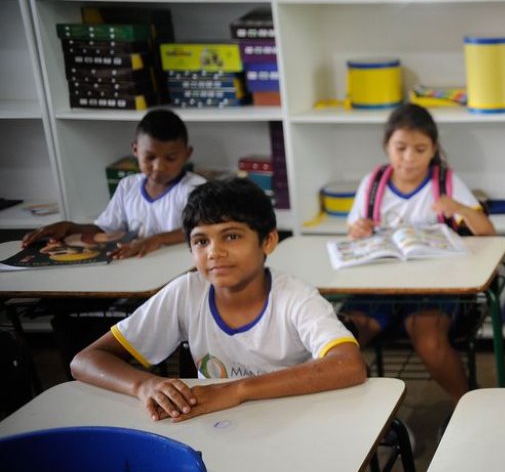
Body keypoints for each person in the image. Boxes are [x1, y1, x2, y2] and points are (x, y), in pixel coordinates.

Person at [70, 178, 367, 422]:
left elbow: (348, 364)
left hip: (298, 420)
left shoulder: (295, 297)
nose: (214, 252)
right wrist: (143, 384)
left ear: (268, 241)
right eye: (201, 241)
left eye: (232, 236)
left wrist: (235, 390)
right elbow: (85, 361)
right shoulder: (186, 292)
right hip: (220, 424)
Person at [341, 103, 494, 402]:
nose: (409, 158)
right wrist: (357, 230)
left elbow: (486, 231)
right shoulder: (373, 184)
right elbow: (353, 232)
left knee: (429, 339)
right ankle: (369, 414)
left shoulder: (444, 182)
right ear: (387, 146)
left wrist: (459, 208)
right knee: (345, 336)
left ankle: (466, 404)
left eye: (420, 149)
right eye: (400, 148)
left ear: (433, 149)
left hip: (435, 288)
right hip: (377, 288)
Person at [22, 108, 206, 259]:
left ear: (187, 154)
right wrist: (70, 227)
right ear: (135, 150)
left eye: (171, 158)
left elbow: (204, 230)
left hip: (177, 270)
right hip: (136, 267)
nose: (159, 166)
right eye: (149, 157)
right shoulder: (128, 186)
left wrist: (156, 239)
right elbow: (106, 229)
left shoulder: (196, 188)